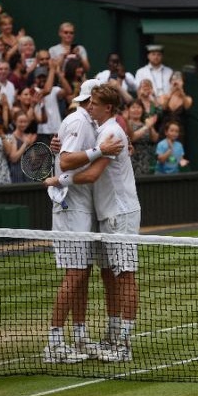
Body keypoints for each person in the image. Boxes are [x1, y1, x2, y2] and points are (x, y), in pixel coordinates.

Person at [47, 84, 140, 364]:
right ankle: (109, 338)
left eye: (93, 103)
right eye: (88, 102)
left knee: (124, 275)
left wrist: (58, 179)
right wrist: (60, 148)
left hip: (119, 214)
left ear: (107, 107)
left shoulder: (110, 132)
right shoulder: (97, 129)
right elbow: (73, 157)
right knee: (106, 274)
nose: (89, 107)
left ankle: (123, 344)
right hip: (104, 215)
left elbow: (90, 175)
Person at [127, 100, 158, 175]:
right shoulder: (126, 123)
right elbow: (132, 138)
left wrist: (150, 126)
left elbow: (155, 139)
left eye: (139, 107)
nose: (136, 110)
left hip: (145, 159)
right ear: (128, 110)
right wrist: (147, 127)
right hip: (131, 159)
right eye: (133, 107)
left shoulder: (146, 124)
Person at [8, 110, 37, 183]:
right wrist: (25, 144)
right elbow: (13, 158)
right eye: (20, 122)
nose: (23, 124)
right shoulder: (12, 137)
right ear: (15, 122)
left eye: (25, 122)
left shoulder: (28, 137)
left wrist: (31, 144)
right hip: (17, 172)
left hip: (28, 172)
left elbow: (33, 160)